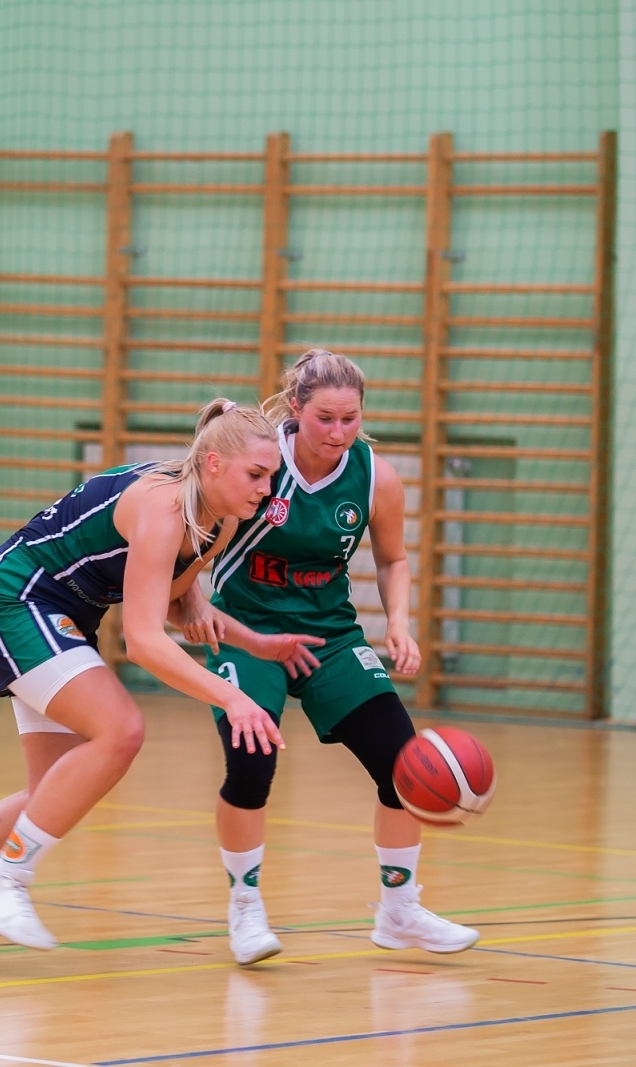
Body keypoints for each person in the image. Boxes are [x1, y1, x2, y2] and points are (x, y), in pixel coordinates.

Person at [0, 400, 323, 957]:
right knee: (122, 730)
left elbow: (176, 603)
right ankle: (6, 877)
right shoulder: (163, 508)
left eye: (271, 476)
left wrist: (256, 643)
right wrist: (235, 699)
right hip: (16, 599)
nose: (266, 488)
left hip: (62, 618)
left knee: (49, 794)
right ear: (211, 463)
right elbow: (144, 641)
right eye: (256, 474)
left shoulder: (221, 520)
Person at [183, 348, 480, 965]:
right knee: (250, 763)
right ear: (296, 408)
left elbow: (395, 559)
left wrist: (399, 624)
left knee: (403, 764)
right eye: (325, 418)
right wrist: (195, 607)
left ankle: (399, 911)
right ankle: (244, 905)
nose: (339, 432)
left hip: (330, 638)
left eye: (350, 418)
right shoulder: (261, 466)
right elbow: (193, 540)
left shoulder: (374, 476)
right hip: (250, 634)